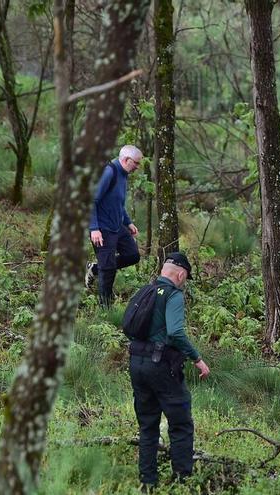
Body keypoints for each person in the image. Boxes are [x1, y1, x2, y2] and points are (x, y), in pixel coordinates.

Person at [126, 252, 210, 491]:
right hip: (161, 367)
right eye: (185, 279)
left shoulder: (146, 291)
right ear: (181, 275)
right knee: (181, 423)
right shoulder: (174, 295)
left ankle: (148, 483)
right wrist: (197, 359)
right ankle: (183, 482)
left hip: (137, 364)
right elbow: (175, 332)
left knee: (147, 426)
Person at [84, 145, 144, 307]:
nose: (138, 167)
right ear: (126, 160)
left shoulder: (124, 174)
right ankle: (105, 307)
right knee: (108, 268)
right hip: (102, 228)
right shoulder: (109, 172)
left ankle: (94, 269)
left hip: (117, 226)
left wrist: (128, 222)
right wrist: (94, 229)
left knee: (132, 255)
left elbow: (118, 203)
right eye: (136, 163)